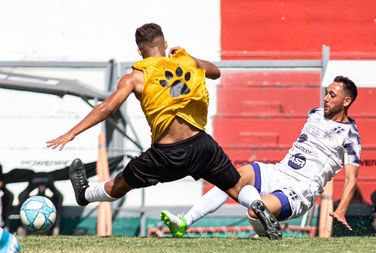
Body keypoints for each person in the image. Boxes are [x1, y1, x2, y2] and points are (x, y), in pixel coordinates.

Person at [46, 23, 270, 234]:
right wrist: (189, 57)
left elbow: (107, 108)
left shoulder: (136, 77)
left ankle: (84, 195)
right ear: (165, 45)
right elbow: (215, 72)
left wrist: (72, 132)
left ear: (139, 51)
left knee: (121, 183)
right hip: (202, 146)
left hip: (166, 156)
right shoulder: (187, 63)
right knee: (236, 187)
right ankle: (258, 205)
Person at [161, 76, 361, 239]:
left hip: (300, 190)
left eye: (332, 95)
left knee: (254, 212)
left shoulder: (350, 136)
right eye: (326, 93)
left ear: (346, 101)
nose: (325, 98)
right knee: (232, 177)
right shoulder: (315, 113)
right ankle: (184, 222)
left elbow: (351, 179)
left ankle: (266, 230)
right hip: (279, 171)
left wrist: (341, 209)